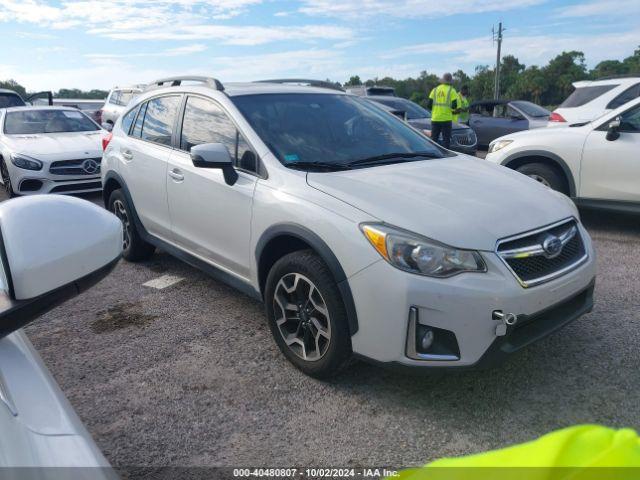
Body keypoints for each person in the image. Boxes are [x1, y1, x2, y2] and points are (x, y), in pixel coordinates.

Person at [427, 73, 459, 149]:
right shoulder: (452, 90)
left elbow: (428, 105)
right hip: (446, 119)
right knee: (446, 141)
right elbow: (454, 105)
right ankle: (446, 158)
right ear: (450, 81)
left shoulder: (434, 90)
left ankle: (433, 156)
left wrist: (436, 110)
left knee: (434, 140)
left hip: (435, 118)